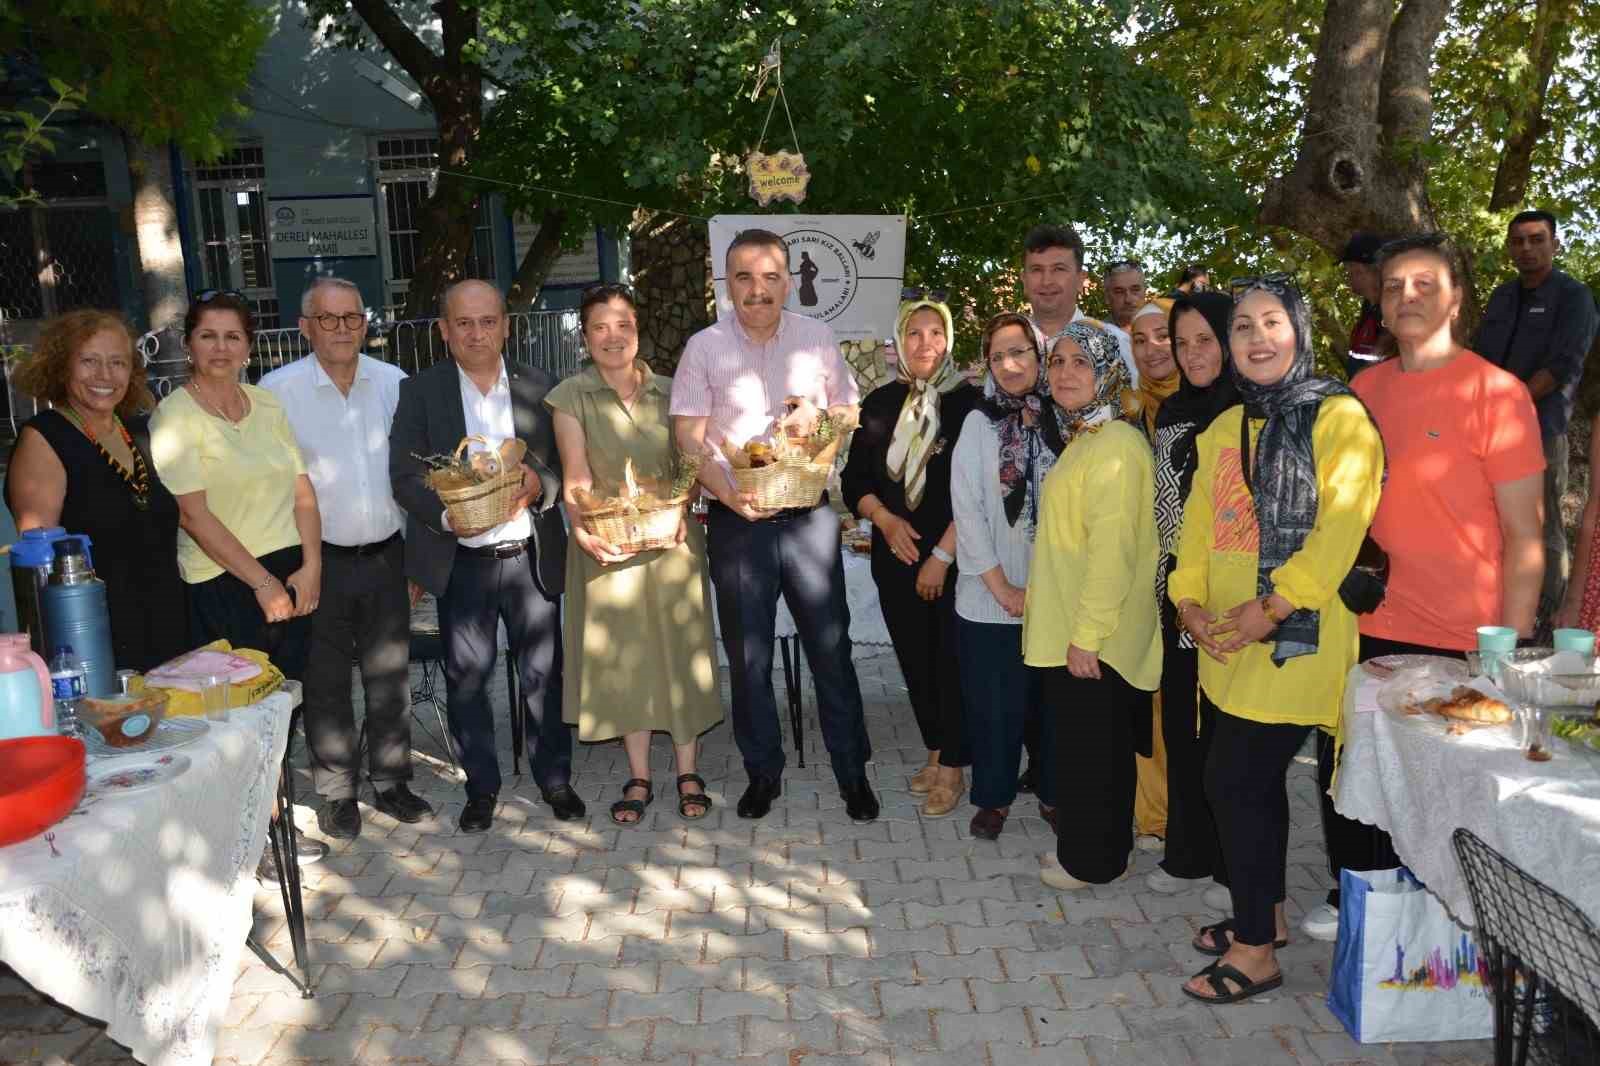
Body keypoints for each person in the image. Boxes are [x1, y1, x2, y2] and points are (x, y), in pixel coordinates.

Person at [1295, 234, 1546, 942]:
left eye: (1424, 284)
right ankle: (1358, 898)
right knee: (1355, 771)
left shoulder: (1499, 394)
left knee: (1448, 790)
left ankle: (1458, 922)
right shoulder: (1363, 392)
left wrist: (1505, 649)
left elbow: (1526, 534)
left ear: (1457, 298)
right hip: (1370, 618)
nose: (1407, 296)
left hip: (1466, 637)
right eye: (1395, 284)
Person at [1167, 278, 1383, 1004]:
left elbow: (1340, 530)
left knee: (1232, 782)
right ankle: (1270, 915)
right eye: (1244, 329)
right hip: (1229, 637)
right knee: (1251, 786)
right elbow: (1198, 526)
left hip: (1296, 636)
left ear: (1299, 331)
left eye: (1272, 324)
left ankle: (1256, 951)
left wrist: (1277, 602)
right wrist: (1188, 600)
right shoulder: (1225, 427)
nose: (1257, 340)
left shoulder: (1338, 415)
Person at [671, 228, 878, 823]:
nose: (757, 290)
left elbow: (847, 411)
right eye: (743, 277)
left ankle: (851, 771)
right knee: (749, 657)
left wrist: (821, 418)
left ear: (788, 281)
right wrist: (729, 499)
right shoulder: (704, 347)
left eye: (769, 277)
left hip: (808, 517)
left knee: (831, 650)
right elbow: (687, 441)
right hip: (737, 524)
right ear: (726, 283)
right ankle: (763, 773)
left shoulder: (816, 338)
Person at [389, 279, 581, 834]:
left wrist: (535, 482)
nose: (477, 333)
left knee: (544, 673)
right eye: (464, 323)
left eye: (488, 321)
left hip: (528, 557)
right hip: (462, 561)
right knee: (467, 679)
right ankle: (482, 788)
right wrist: (449, 517)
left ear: (505, 324)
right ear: (445, 330)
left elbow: (560, 467)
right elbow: (404, 477)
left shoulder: (540, 387)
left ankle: (555, 779)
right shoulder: (420, 393)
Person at [150, 290, 327, 872]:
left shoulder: (266, 404)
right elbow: (194, 516)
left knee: (280, 706)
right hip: (226, 582)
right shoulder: (175, 416)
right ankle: (259, 839)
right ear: (189, 344)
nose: (221, 348)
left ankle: (270, 822)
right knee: (241, 718)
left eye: (233, 336)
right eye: (208, 336)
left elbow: (302, 492)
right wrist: (260, 583)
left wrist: (311, 566)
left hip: (288, 573)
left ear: (249, 345)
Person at [259, 278, 433, 841]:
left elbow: (416, 475)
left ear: (366, 322)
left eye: (351, 318)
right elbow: (273, 483)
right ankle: (337, 792)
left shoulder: (394, 383)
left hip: (387, 554)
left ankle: (392, 781)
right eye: (327, 319)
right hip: (316, 562)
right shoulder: (277, 390)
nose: (340, 329)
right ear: (304, 326)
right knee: (325, 680)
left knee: (388, 677)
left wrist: (416, 561)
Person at [545, 284, 722, 825]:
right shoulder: (568, 396)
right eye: (600, 326)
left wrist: (681, 507)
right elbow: (575, 474)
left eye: (622, 323)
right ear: (586, 335)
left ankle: (689, 770)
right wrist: (582, 527)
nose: (613, 336)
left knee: (680, 652)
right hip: (608, 544)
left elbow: (692, 464)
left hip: (672, 539)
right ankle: (639, 774)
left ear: (637, 329)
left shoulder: (676, 390)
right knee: (625, 659)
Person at [1025, 323, 1161, 889]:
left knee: (1094, 754)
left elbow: (1114, 553)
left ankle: (1096, 862)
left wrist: (1088, 634)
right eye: (1057, 362)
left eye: (1082, 362)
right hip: (1075, 627)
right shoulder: (1086, 437)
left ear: (1108, 371)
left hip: (1095, 634)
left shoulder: (1118, 447)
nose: (1065, 373)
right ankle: (1094, 850)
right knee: (1087, 748)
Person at [842, 295, 978, 818]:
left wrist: (941, 554)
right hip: (893, 554)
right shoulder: (877, 404)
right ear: (900, 341)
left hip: (954, 554)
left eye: (935, 333)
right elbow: (855, 480)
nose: (926, 344)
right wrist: (885, 519)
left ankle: (954, 769)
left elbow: (976, 490)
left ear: (948, 341)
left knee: (950, 661)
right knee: (916, 661)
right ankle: (936, 750)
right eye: (915, 334)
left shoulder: (969, 404)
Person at [7, 310, 188, 670]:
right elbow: (42, 565)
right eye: (89, 361)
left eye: (117, 362)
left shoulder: (139, 431)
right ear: (62, 367)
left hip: (168, 629)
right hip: (91, 640)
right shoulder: (45, 438)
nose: (105, 375)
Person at [951, 313, 1058, 840]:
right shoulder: (978, 423)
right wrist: (1002, 589)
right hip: (988, 595)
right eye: (998, 356)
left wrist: (1045, 590)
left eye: (1021, 352)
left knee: (1048, 707)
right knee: (994, 707)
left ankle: (1054, 791)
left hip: (1054, 593)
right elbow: (966, 510)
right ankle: (992, 798)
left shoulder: (1067, 420)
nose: (1011, 364)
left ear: (1040, 355)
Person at [1145, 292, 1237, 901]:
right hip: (1173, 592)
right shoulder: (1174, 408)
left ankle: (1234, 866)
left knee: (1229, 737)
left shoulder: (1250, 408)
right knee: (1181, 723)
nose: (1193, 353)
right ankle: (1187, 851)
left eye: (1206, 339)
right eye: (1184, 342)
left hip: (1229, 595)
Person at [1474, 210, 1600, 629]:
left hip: (1541, 430)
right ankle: (1501, 606)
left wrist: (1510, 404)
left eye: (1536, 239)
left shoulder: (1574, 296)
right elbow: (1479, 361)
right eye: (1518, 241)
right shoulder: (1502, 297)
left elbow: (1564, 363)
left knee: (1542, 526)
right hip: (1487, 432)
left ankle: (1545, 617)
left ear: (1555, 244)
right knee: (1493, 519)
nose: (1527, 248)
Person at [1128, 299, 1179, 853]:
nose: (1151, 349)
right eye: (1139, 340)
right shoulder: (1127, 411)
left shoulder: (1215, 405)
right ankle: (1153, 815)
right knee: (1150, 697)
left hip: (1202, 578)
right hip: (1142, 577)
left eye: (1162, 335)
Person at [1020, 223, 1137, 386]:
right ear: (1024, 280)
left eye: (1059, 269)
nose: (1046, 281)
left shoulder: (1116, 344)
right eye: (1036, 270)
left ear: (1081, 279)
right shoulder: (1006, 348)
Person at [1340, 232, 1389, 380]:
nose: (1348, 278)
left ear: (1360, 269)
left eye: (1349, 271)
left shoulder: (1391, 312)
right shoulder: (1368, 307)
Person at [1103, 259, 1148, 332]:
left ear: (1145, 292)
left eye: (1135, 290)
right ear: (1107, 297)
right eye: (1119, 292)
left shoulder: (1168, 330)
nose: (1128, 299)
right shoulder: (1094, 337)